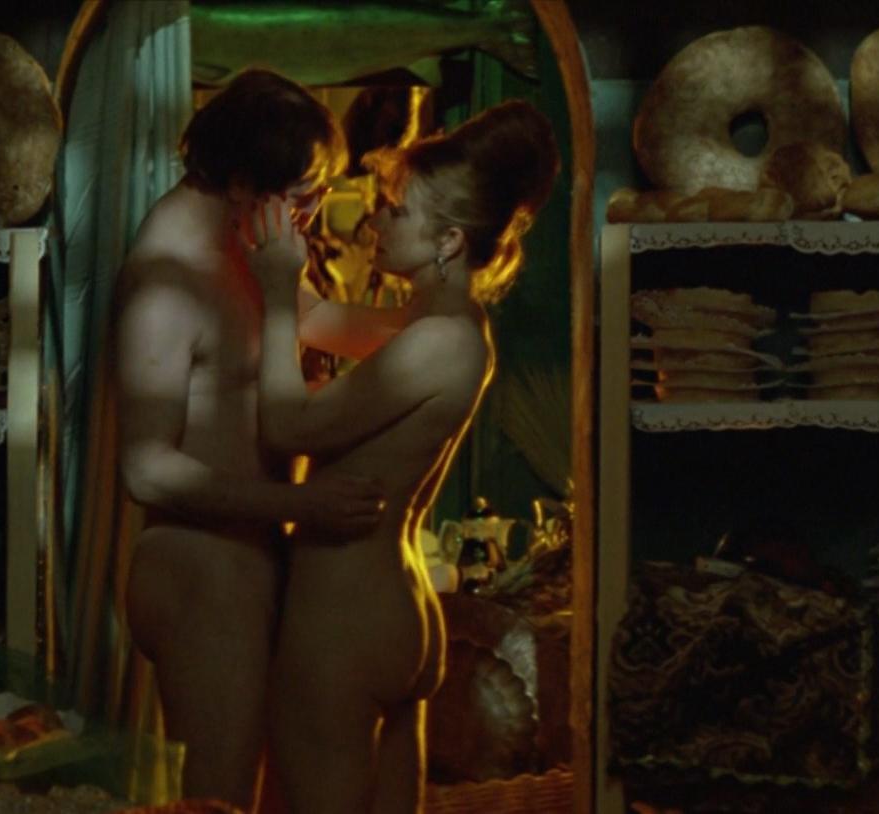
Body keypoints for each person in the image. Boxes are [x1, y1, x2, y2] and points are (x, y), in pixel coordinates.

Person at [245, 100, 561, 812]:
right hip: (389, 610)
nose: (375, 223)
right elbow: (320, 320)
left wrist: (272, 297)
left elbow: (288, 427)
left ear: (449, 240)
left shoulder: (437, 342)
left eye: (396, 211)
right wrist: (282, 247)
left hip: (342, 618)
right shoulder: (443, 323)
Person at [113, 68, 411, 809]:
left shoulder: (248, 240)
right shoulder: (166, 280)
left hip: (251, 553)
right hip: (200, 567)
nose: (312, 214)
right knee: (221, 801)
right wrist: (299, 504)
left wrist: (445, 323)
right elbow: (145, 469)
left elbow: (318, 322)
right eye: (303, 194)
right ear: (242, 182)